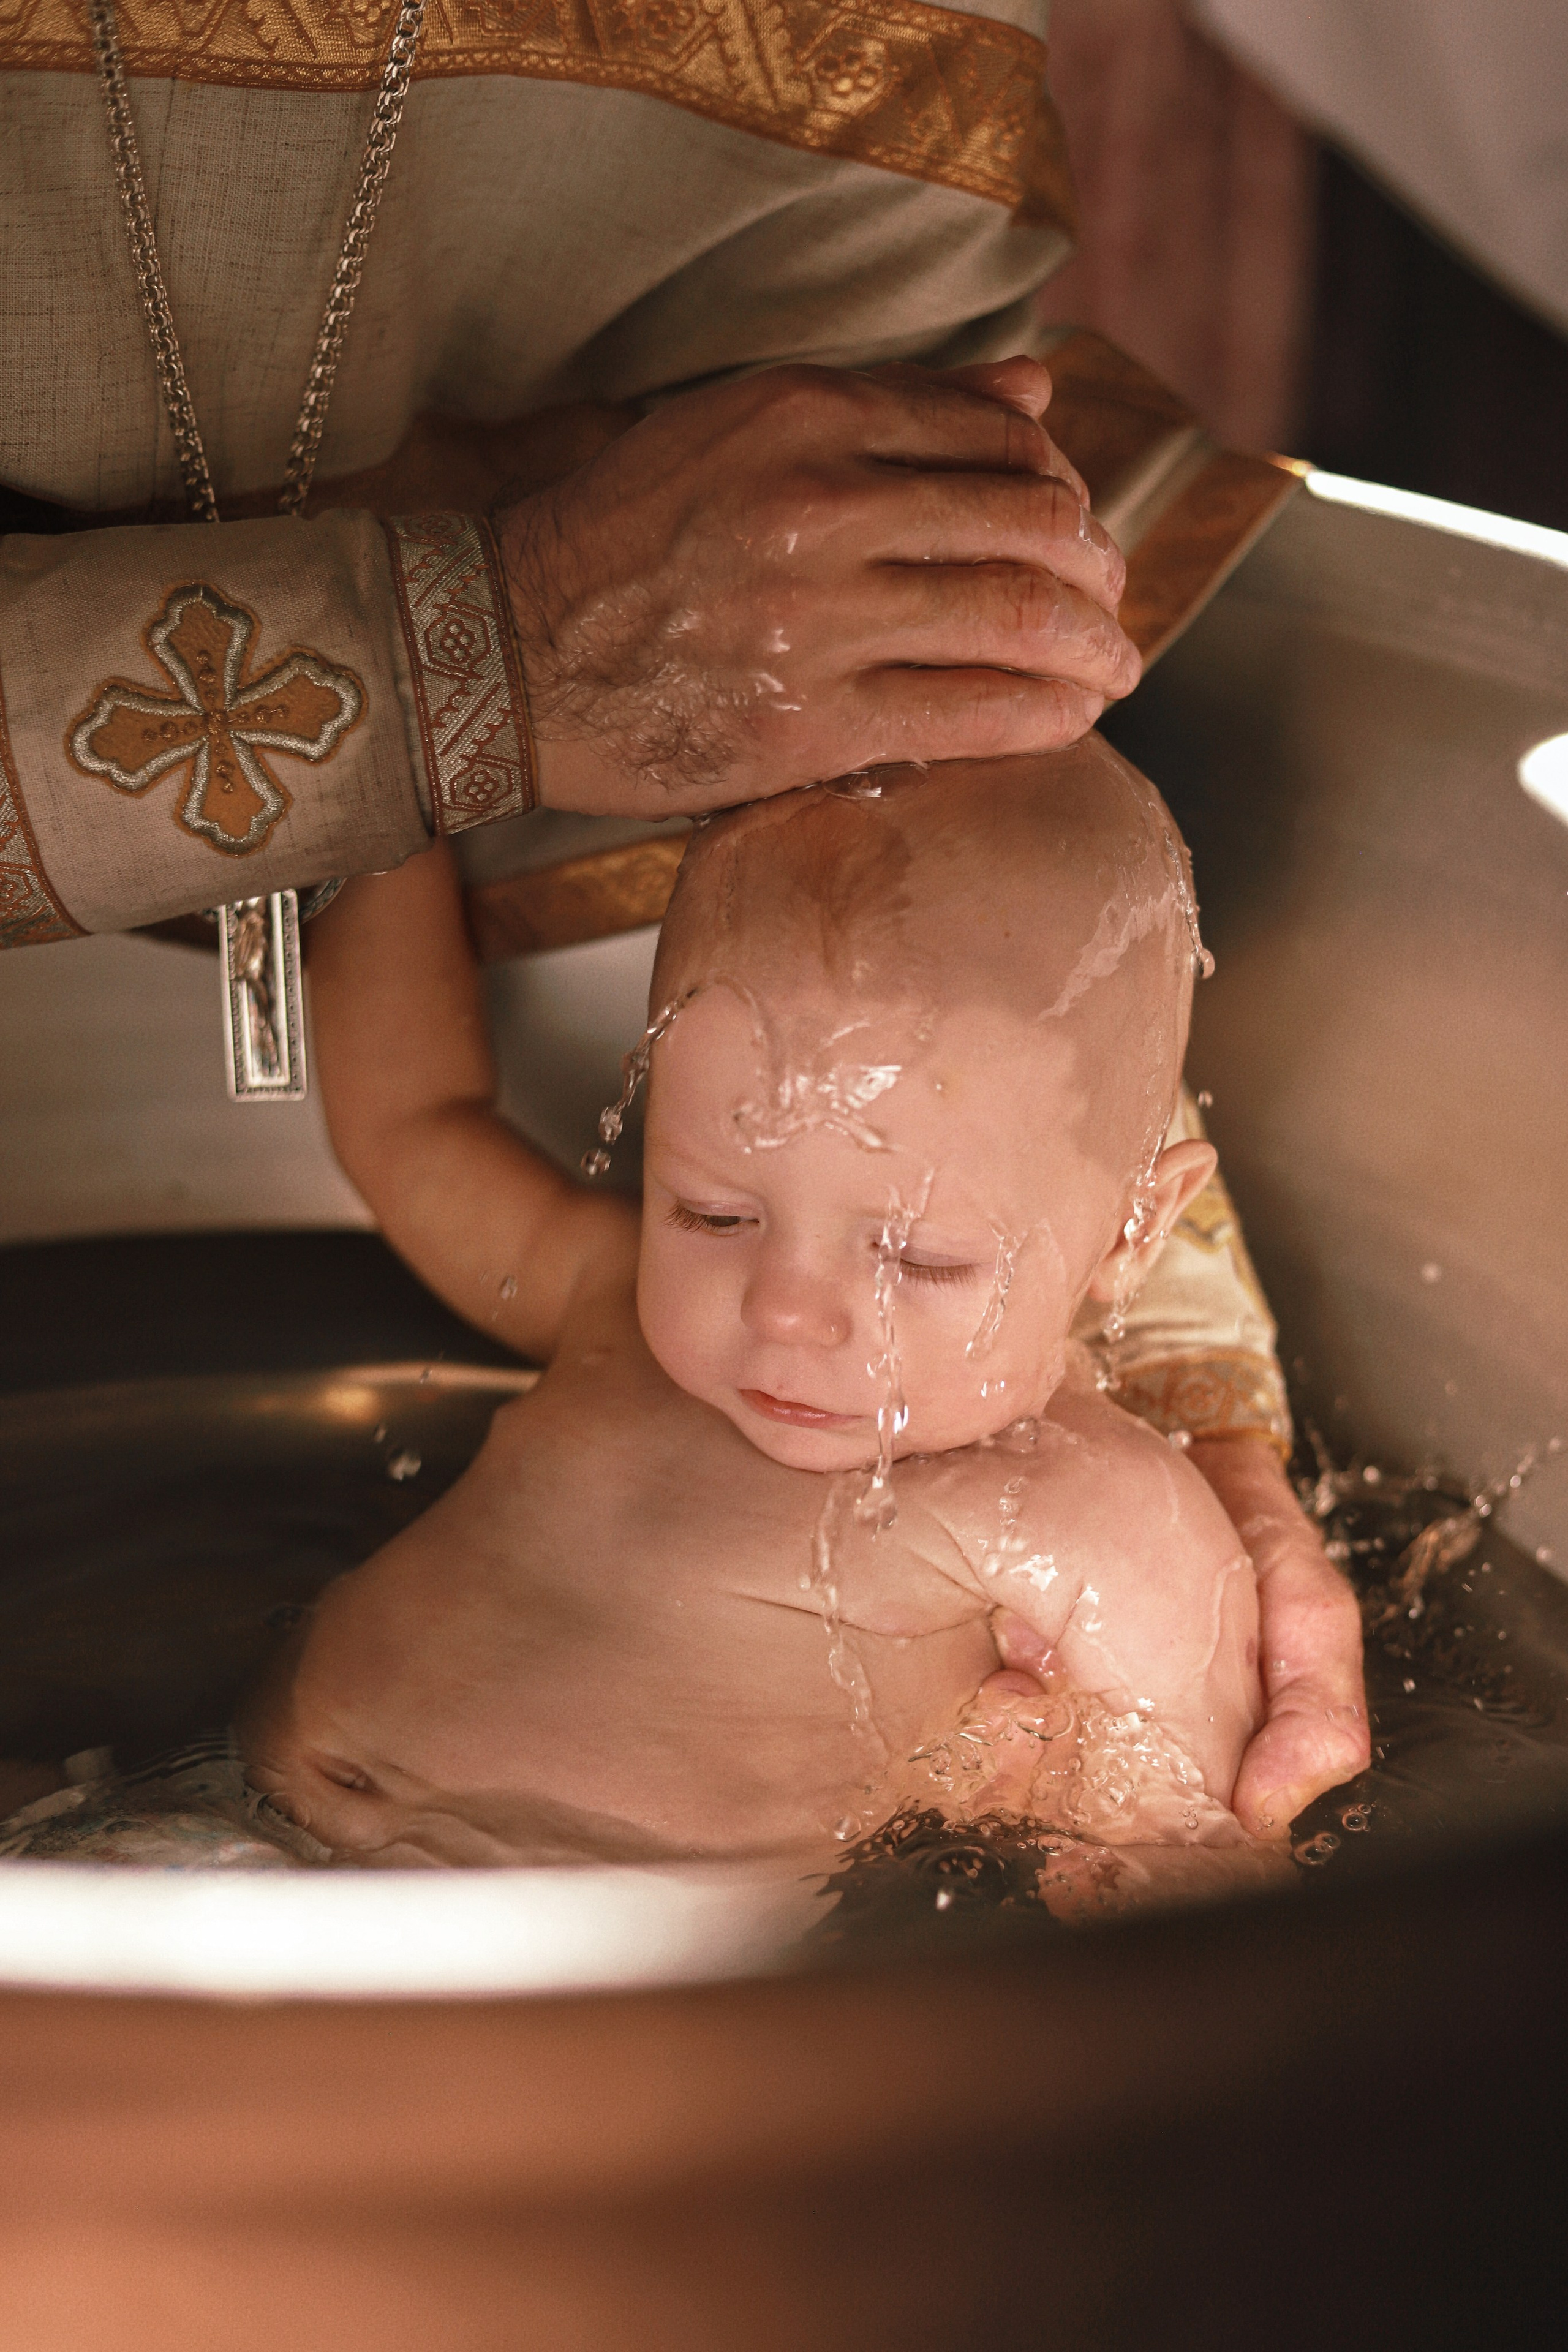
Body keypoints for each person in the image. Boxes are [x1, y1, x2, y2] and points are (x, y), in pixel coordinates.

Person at [233, 737, 1336, 1893]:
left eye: (914, 1256)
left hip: (593, 1966)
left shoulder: (1102, 1522)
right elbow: (410, 1121)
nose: (787, 1311)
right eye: (712, 1214)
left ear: (1134, 1229)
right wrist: (382, 776)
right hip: (230, 1842)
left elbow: (1198, 1883)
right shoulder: (613, 1301)